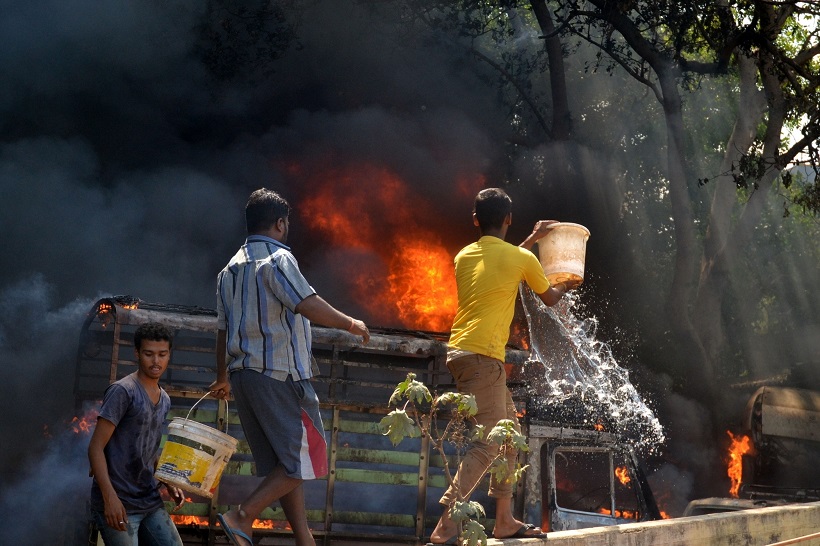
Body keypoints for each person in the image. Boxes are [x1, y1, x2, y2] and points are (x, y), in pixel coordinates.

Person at [209, 187, 370, 546]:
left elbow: (221, 330)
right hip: (279, 375)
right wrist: (350, 323)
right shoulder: (278, 260)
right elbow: (307, 303)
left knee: (287, 464)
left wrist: (222, 376)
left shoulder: (229, 270)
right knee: (308, 455)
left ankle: (304, 540)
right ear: (281, 223)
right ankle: (242, 515)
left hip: (244, 378)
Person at [428, 188, 580, 544]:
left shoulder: (463, 255)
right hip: (483, 358)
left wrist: (530, 240)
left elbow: (504, 260)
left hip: (462, 353)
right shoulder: (521, 259)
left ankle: (505, 520)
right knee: (489, 444)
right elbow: (549, 298)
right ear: (509, 220)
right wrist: (568, 280)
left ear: (475, 219)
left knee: (508, 434)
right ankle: (445, 526)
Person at [88, 321, 186, 546]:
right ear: (137, 353)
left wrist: (167, 482)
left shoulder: (165, 399)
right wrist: (109, 498)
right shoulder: (124, 391)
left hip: (148, 499)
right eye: (149, 354)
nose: (156, 361)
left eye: (162, 354)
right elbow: (95, 448)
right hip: (118, 501)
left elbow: (148, 449)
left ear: (169, 355)